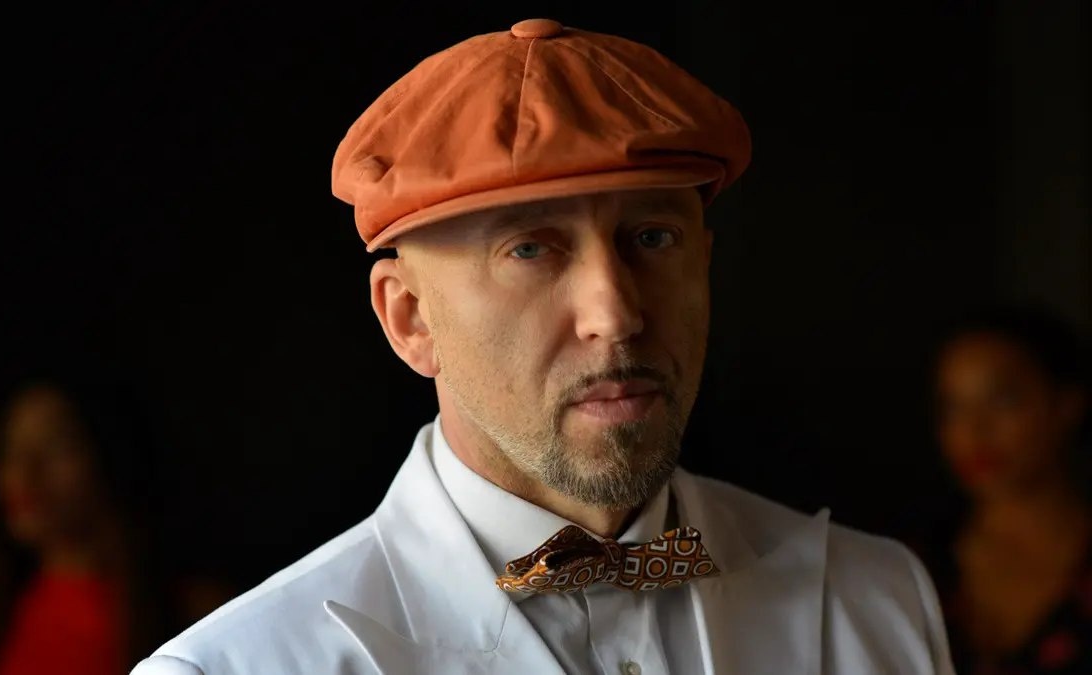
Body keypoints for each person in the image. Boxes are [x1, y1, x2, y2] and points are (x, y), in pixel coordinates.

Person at [132, 18, 956, 673]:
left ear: (705, 265)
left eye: (652, 236)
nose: (616, 314)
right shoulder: (241, 665)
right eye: (530, 248)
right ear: (410, 318)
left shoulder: (876, 599)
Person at [0, 363, 233, 675]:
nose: (23, 472)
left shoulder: (200, 616)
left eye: (56, 445)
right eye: (10, 450)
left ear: (107, 455)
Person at [918, 306, 1091, 674]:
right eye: (953, 407)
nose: (974, 430)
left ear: (1066, 404)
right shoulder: (918, 565)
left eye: (1003, 399)